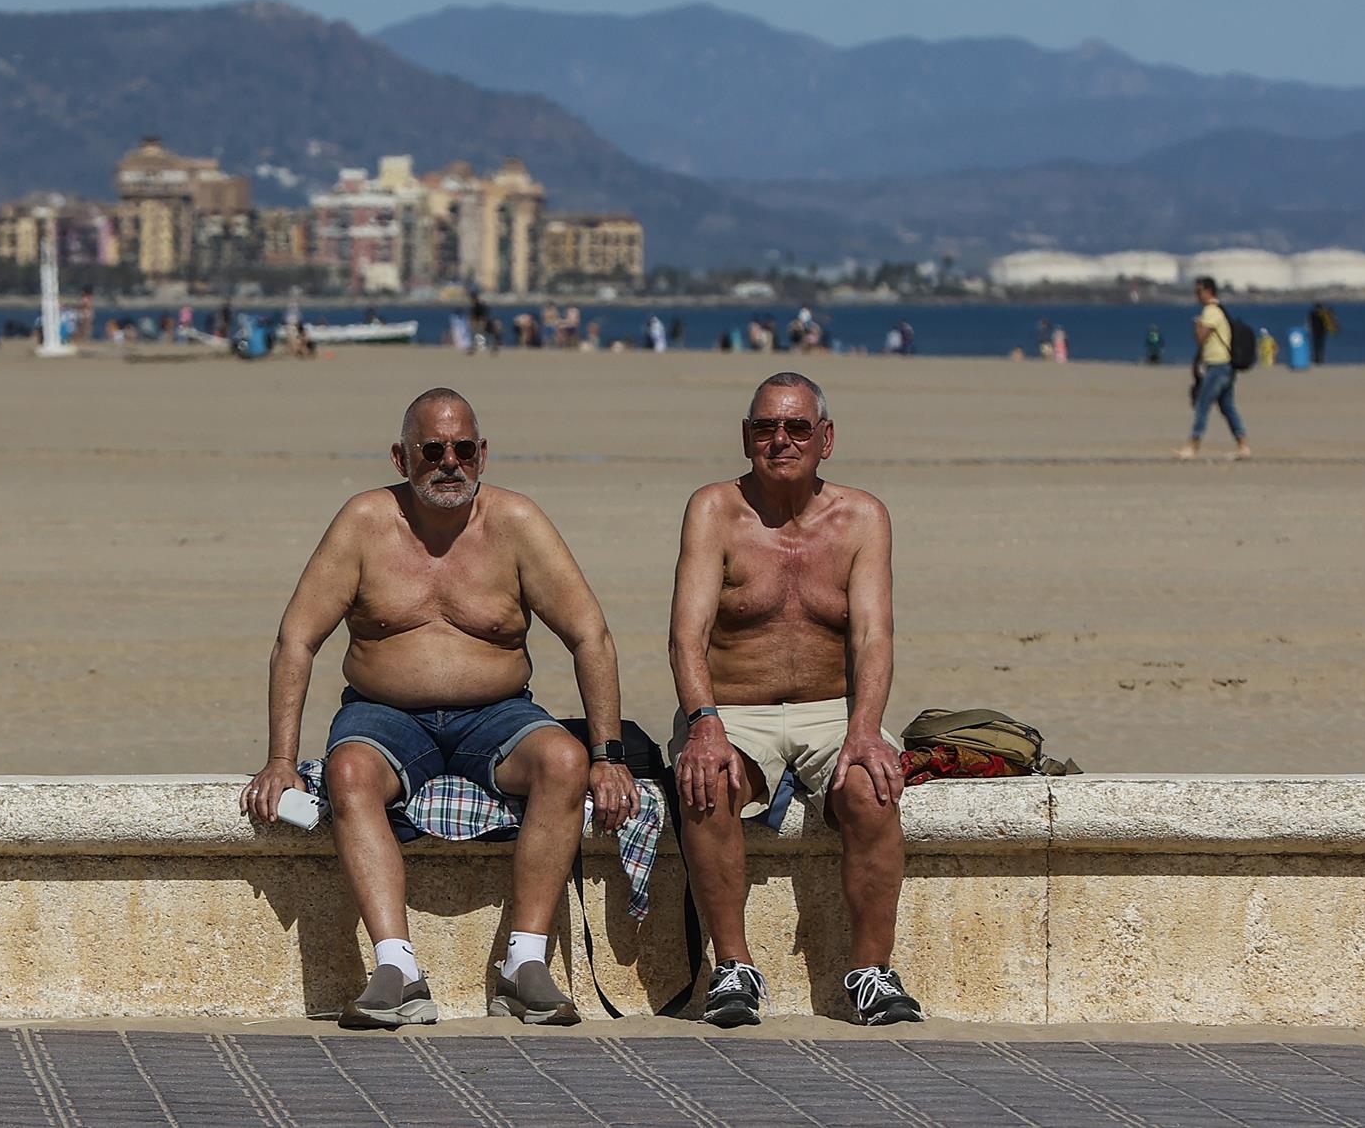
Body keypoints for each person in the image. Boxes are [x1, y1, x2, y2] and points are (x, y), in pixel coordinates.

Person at [241, 388, 634, 1029]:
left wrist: (609, 756)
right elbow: (296, 638)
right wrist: (281, 760)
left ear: (482, 454)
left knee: (564, 760)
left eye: (462, 449)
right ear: (402, 456)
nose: (448, 462)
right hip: (383, 713)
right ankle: (396, 968)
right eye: (431, 449)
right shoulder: (364, 523)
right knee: (347, 774)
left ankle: (525, 964)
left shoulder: (518, 524)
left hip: (498, 713)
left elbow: (591, 634)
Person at [667, 372, 923, 1028]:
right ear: (746, 437)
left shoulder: (862, 517)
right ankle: (732, 968)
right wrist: (703, 724)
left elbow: (873, 635)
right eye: (765, 428)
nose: (780, 440)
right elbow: (686, 635)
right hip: (734, 706)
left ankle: (871, 971)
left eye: (797, 427)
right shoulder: (714, 510)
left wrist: (865, 728)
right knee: (705, 781)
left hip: (831, 708)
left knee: (872, 786)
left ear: (826, 438)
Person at [1175, 276, 1249, 461]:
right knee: (1227, 406)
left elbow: (1201, 338)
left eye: (1199, 291)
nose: (1197, 296)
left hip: (1218, 365)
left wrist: (1197, 324)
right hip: (1225, 366)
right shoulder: (1219, 311)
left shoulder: (1211, 311)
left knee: (1203, 404)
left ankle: (1193, 445)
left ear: (1208, 292)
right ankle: (1243, 444)